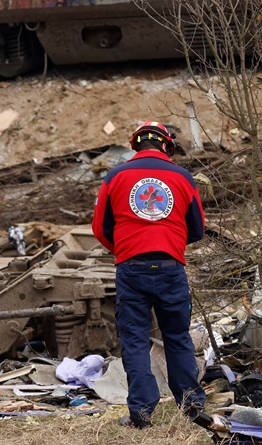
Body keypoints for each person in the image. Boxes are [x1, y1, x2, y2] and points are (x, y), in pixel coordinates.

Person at [91, 121, 208, 429]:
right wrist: (169, 244)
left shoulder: (115, 176)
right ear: (167, 145)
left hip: (131, 269)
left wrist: (126, 250)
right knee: (177, 336)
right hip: (171, 268)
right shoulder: (183, 177)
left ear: (136, 145)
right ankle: (191, 405)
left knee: (134, 340)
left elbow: (100, 228)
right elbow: (197, 228)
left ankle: (141, 413)